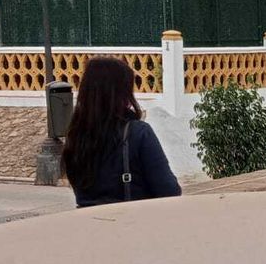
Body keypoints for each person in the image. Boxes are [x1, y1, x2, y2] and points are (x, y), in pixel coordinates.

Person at [61, 57, 181, 206]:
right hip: (132, 218)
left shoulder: (76, 136)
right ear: (121, 94)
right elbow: (169, 190)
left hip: (89, 219)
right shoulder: (138, 133)